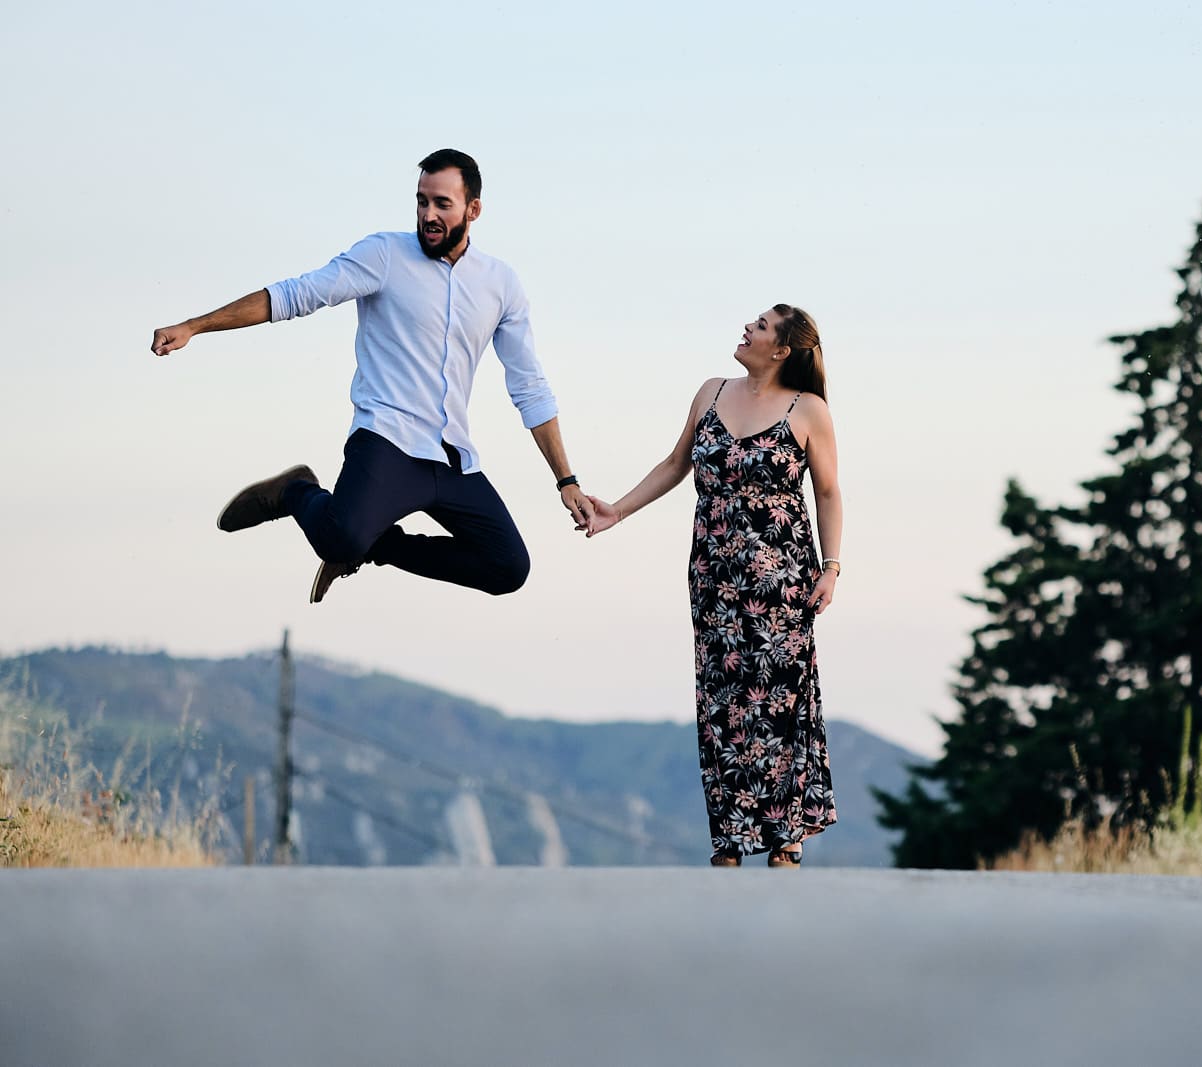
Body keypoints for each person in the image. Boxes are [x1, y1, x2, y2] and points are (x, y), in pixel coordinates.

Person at [150, 149, 592, 603]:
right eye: (422, 202)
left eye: (442, 204)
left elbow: (529, 386)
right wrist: (194, 326)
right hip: (387, 441)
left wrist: (566, 481)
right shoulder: (384, 255)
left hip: (453, 459)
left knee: (508, 567)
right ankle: (296, 491)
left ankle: (379, 544)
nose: (428, 215)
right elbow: (296, 295)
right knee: (339, 538)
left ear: (473, 209)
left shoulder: (500, 284)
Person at [586, 305, 841, 867]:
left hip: (782, 577)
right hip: (714, 574)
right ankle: (729, 837)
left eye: (760, 326)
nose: (746, 328)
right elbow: (676, 465)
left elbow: (826, 492)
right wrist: (617, 512)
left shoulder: (809, 410)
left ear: (781, 350)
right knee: (722, 698)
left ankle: (784, 833)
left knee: (778, 699)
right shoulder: (711, 392)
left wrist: (831, 566)